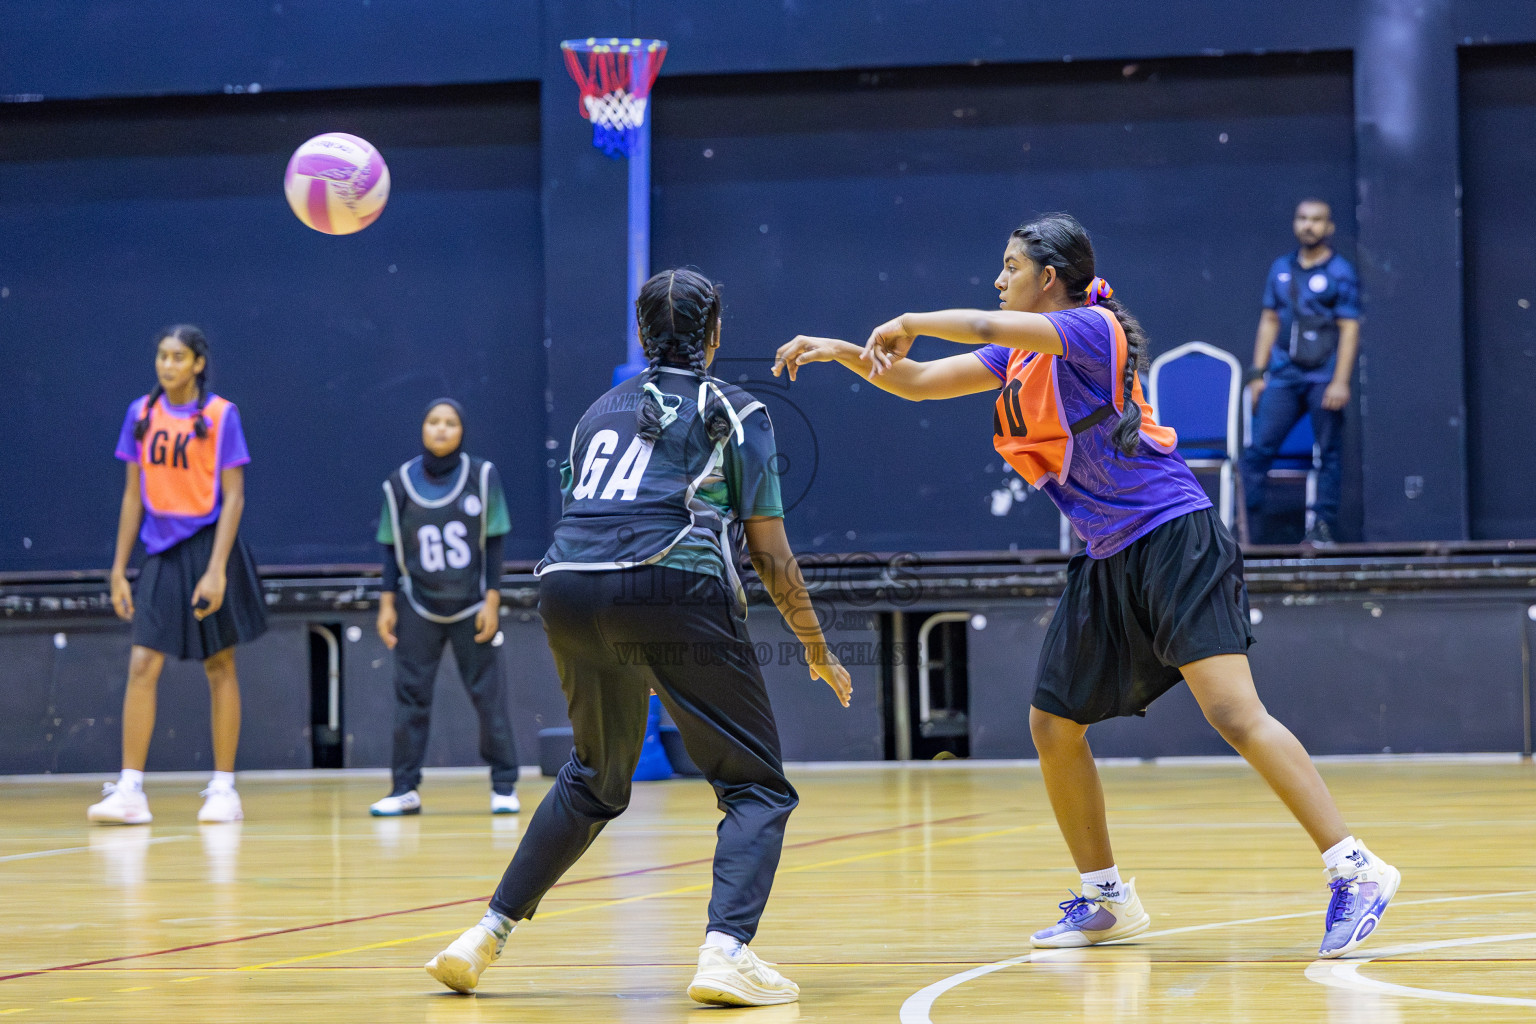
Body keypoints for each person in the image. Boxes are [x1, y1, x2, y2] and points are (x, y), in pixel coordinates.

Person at [772, 214, 1398, 960]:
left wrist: (908, 318)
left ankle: (1355, 868)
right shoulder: (1020, 355)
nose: (998, 279)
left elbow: (974, 323)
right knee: (1053, 725)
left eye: (1011, 266)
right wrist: (844, 351)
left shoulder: (1093, 329)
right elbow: (916, 382)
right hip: (1107, 555)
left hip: (1172, 534)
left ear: (1049, 277)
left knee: (1233, 712)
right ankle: (1107, 897)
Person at [423, 269, 852, 1006]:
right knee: (755, 786)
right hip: (668, 584)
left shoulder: (598, 411)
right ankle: (725, 950)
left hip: (565, 586)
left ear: (642, 334)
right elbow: (770, 554)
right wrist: (815, 643)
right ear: (715, 335)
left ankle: (484, 933)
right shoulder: (736, 408)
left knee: (594, 778)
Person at [89, 325, 265, 825]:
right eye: (162, 356)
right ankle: (130, 790)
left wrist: (216, 571)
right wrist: (120, 569)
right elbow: (131, 496)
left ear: (198, 364)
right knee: (143, 662)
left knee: (219, 664)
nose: (168, 365)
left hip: (210, 547)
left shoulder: (219, 415)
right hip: (160, 553)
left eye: (178, 357)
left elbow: (234, 496)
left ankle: (224, 789)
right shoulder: (141, 415)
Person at [371, 399, 521, 816]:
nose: (441, 429)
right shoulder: (398, 482)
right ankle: (404, 788)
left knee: (489, 697)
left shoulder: (483, 476)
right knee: (410, 699)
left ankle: (504, 784)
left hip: (471, 602)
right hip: (417, 603)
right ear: (422, 429)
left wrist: (492, 600)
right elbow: (388, 548)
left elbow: (494, 545)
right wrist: (386, 605)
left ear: (462, 430)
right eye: (433, 421)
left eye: (450, 422)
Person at [1240, 199, 1360, 545]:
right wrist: (1258, 373)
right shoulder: (1281, 268)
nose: (1309, 225)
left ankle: (1322, 528)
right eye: (1303, 219)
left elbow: (1349, 329)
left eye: (1317, 220)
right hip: (1283, 375)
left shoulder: (1340, 273)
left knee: (1329, 454)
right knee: (1258, 451)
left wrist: (1340, 380)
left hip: (1324, 377)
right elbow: (1269, 319)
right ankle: (1250, 530)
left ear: (1329, 227)